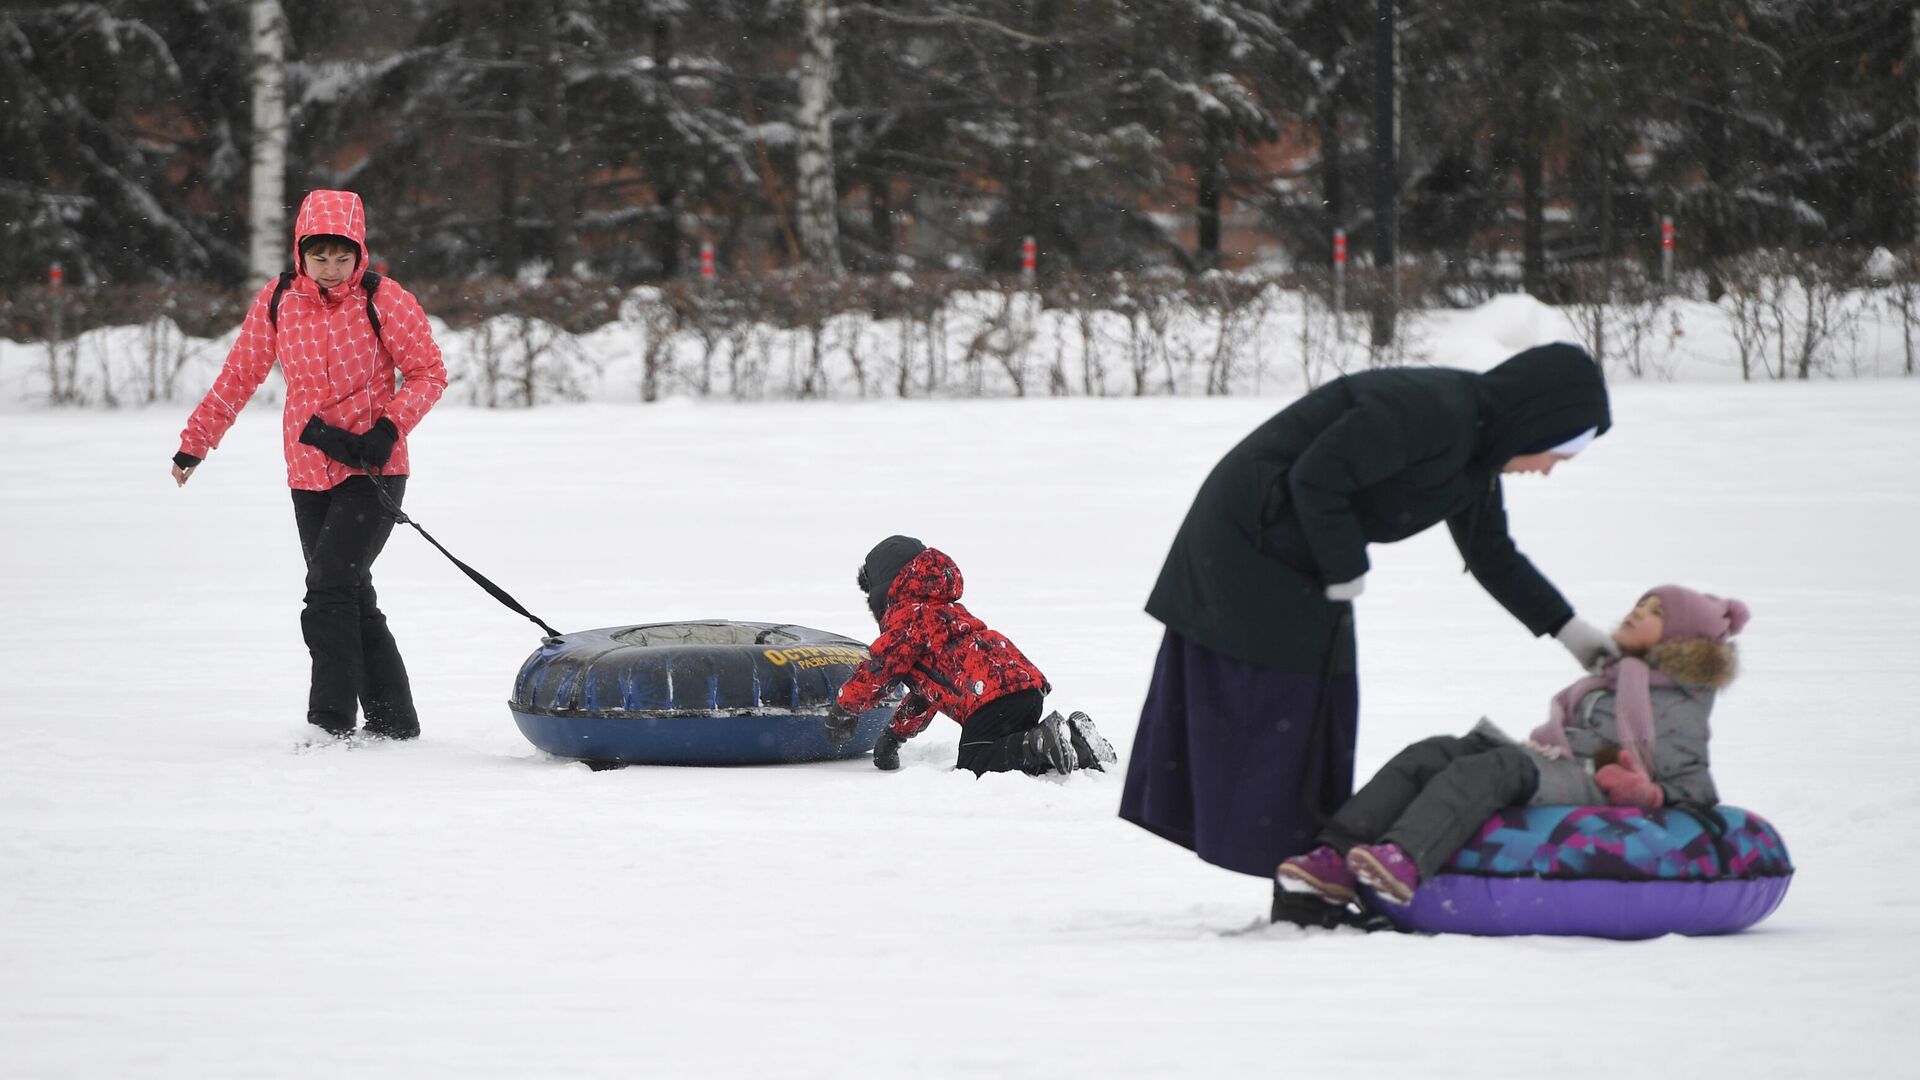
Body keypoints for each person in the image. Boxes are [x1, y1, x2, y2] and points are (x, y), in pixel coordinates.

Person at [1118, 342, 1618, 920]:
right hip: (1251, 540)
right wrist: (1344, 567)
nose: (1549, 469)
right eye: (1559, 452)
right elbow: (1318, 476)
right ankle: (1301, 883)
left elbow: (1492, 554)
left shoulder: (1477, 452)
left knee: (1320, 709)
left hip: (1290, 547)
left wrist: (1570, 631)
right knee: (1288, 708)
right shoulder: (1432, 411)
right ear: (1539, 421)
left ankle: (1306, 877)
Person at [171, 189, 448, 741]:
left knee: (327, 590)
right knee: (349, 592)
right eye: (319, 256)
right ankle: (395, 721)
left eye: (342, 256)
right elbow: (239, 375)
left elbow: (428, 373)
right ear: (301, 251)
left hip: (374, 471)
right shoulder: (278, 300)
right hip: (306, 471)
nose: (330, 268)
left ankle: (329, 722)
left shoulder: (383, 299)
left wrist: (389, 429)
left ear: (359, 251)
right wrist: (196, 443)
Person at [1277, 585, 1748, 908]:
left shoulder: (1682, 700)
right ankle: (1335, 857)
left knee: (1493, 769)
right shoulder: (1615, 678)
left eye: (1656, 612)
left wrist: (1648, 795)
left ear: (1684, 639)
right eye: (1641, 603)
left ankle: (1405, 860)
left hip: (1594, 783)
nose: (1638, 612)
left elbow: (1695, 784)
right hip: (1563, 762)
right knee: (1436, 753)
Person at [825, 535, 1117, 776]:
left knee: (976, 762)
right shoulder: (946, 611)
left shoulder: (909, 619)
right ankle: (1076, 743)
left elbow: (881, 668)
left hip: (988, 699)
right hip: (1024, 688)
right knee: (1011, 749)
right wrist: (895, 735)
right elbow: (928, 693)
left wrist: (845, 708)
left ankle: (1038, 742)